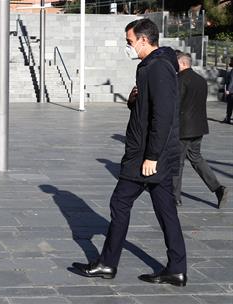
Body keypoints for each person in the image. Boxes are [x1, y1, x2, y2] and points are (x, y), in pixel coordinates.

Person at [73, 19, 187, 287]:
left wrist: (152, 156)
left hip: (145, 156)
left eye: (129, 41)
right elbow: (150, 109)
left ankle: (107, 264)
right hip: (147, 152)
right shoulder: (152, 66)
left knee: (120, 204)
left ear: (144, 40)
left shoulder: (158, 67)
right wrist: (135, 101)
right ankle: (177, 268)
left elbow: (163, 116)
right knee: (166, 211)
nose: (128, 46)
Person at [173, 52, 229, 208]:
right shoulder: (201, 80)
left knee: (177, 162)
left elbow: (176, 106)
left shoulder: (179, 80)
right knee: (196, 158)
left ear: (183, 63)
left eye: (176, 63)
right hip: (199, 127)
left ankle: (175, 197)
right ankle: (218, 188)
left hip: (183, 128)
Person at [223, 57, 233, 124]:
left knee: (230, 105)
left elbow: (232, 81)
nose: (230, 62)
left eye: (231, 61)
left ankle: (228, 118)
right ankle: (228, 118)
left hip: (231, 92)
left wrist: (228, 90)